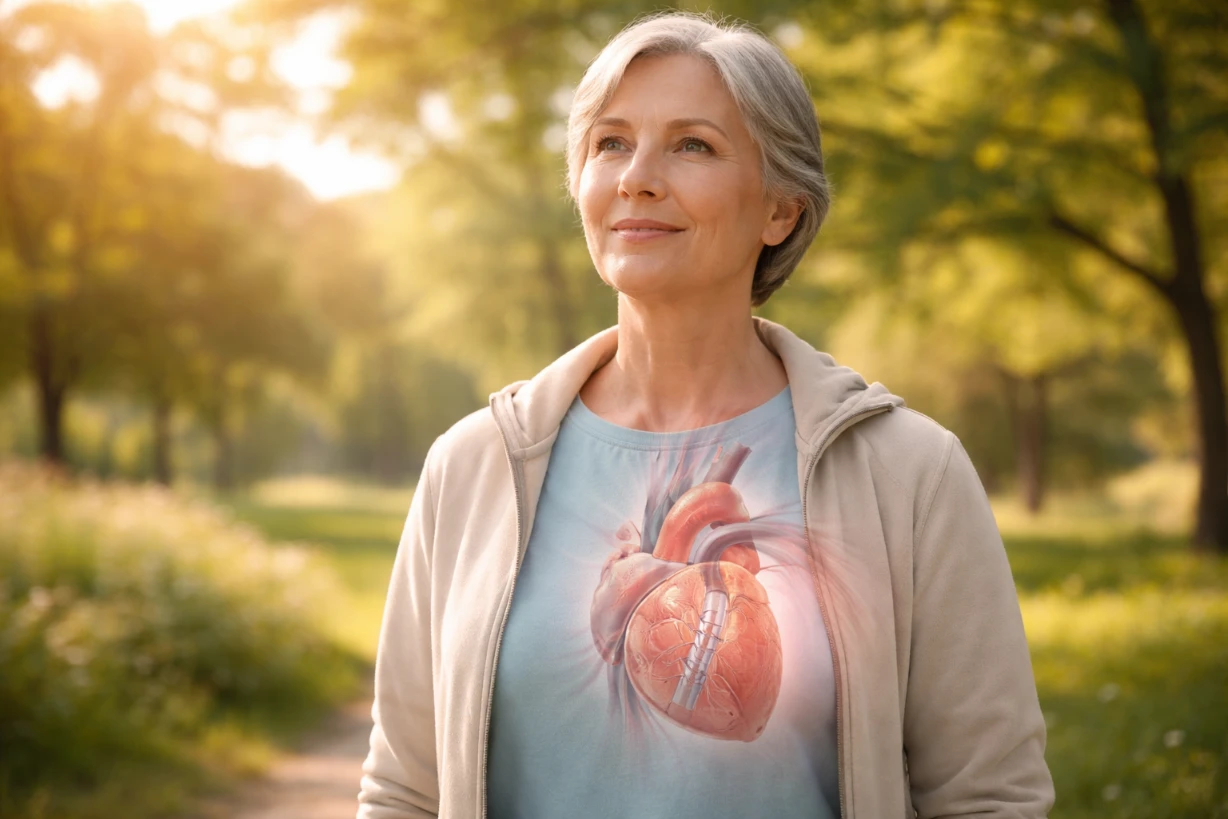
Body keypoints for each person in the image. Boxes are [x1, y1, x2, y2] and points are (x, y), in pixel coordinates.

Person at [358, 11, 1054, 819]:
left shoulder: (910, 472)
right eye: (610, 143)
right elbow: (405, 788)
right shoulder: (474, 465)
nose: (637, 177)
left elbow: (988, 797)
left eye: (693, 145)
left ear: (781, 210)